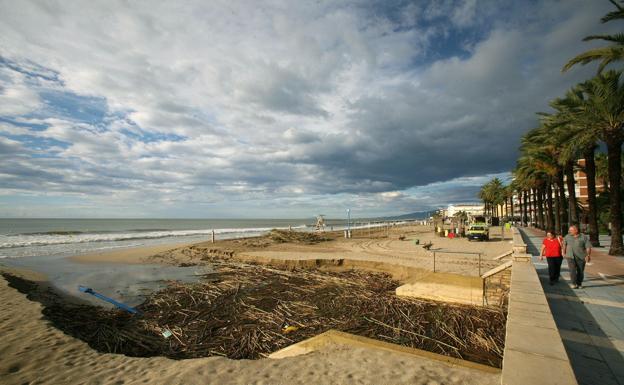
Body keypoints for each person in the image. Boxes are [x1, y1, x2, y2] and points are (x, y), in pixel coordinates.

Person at [563, 225, 592, 289]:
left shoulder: (583, 237)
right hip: (570, 256)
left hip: (581, 257)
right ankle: (573, 283)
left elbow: (588, 247)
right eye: (569, 230)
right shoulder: (567, 236)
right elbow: (564, 245)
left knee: (580, 271)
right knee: (572, 270)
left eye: (571, 230)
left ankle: (579, 283)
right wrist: (563, 252)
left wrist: (588, 255)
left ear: (576, 230)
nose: (569, 231)